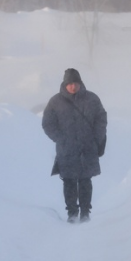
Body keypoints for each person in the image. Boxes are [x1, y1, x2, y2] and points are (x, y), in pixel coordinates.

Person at [42, 68, 108, 223]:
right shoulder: (55, 102)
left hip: (87, 147)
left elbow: (101, 119)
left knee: (85, 180)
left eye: (75, 83)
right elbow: (47, 123)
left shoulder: (92, 99)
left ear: (80, 83)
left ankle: (85, 212)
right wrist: (60, 138)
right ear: (65, 84)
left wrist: (96, 138)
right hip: (67, 149)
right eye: (70, 83)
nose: (73, 86)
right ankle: (72, 213)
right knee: (69, 181)